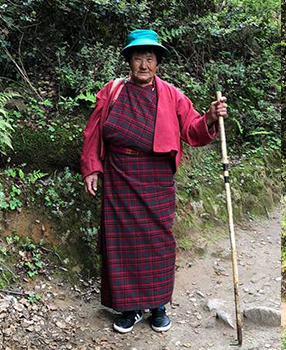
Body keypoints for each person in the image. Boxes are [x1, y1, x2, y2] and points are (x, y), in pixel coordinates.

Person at [79, 29, 228, 334]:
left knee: (158, 242)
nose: (144, 65)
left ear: (158, 62)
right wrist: (92, 167)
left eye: (149, 58)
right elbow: (93, 132)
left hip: (157, 178)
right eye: (138, 58)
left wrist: (211, 117)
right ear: (129, 61)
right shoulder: (112, 91)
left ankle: (157, 305)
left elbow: (193, 130)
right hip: (119, 173)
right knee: (121, 244)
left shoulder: (172, 95)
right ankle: (130, 308)